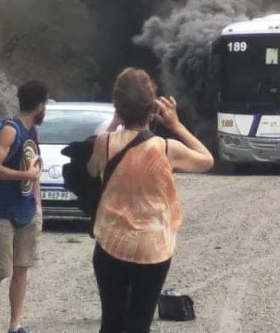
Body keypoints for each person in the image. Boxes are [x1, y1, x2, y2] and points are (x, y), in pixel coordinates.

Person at [87, 68, 213, 333]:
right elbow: (207, 160)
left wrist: (114, 121)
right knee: (139, 323)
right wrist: (175, 124)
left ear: (118, 106)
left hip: (110, 243)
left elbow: (91, 170)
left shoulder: (104, 143)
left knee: (110, 321)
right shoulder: (166, 148)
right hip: (153, 247)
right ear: (152, 107)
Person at [0, 79, 48, 333]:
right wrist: (26, 176)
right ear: (39, 105)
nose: (45, 109)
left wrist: (38, 204)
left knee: (22, 269)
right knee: (2, 269)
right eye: (45, 104)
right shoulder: (10, 130)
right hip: (1, 210)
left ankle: (15, 325)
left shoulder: (33, 132)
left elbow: (35, 165)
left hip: (27, 211)